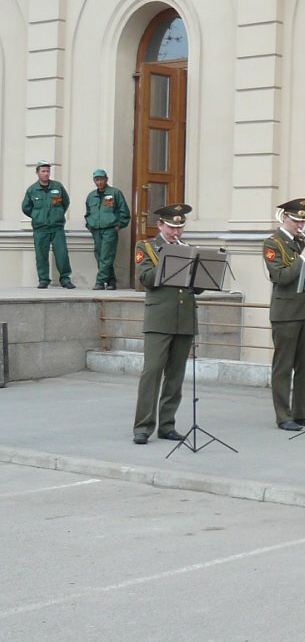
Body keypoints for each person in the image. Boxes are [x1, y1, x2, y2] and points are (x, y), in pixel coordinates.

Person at [132, 204, 197, 444]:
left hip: (184, 318)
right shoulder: (146, 247)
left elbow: (198, 286)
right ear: (160, 225)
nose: (176, 233)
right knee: (152, 372)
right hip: (159, 318)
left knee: (176, 375)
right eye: (171, 227)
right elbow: (146, 279)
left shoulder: (188, 249)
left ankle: (167, 425)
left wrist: (193, 264)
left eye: (180, 228)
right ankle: (143, 426)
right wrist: (170, 260)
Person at [262, 198, 305, 432]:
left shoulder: (301, 242)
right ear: (285, 217)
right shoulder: (272, 243)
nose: (301, 225)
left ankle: (302, 413)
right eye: (297, 220)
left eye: (303, 221)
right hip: (285, 312)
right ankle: (283, 415)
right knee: (283, 366)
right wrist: (304, 256)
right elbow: (282, 277)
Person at [21, 160, 74, 289]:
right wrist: (37, 217)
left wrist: (58, 214)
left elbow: (65, 202)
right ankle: (43, 279)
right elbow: (26, 207)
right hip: (40, 228)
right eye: (43, 171)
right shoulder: (32, 190)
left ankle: (65, 279)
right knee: (41, 255)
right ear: (37, 173)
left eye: (48, 171)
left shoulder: (57, 187)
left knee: (62, 254)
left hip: (57, 227)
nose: (46, 174)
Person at [84, 169, 131, 290]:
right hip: (96, 230)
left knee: (106, 256)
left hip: (110, 229)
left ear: (106, 179)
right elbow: (88, 213)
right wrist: (90, 225)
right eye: (97, 180)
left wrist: (118, 225)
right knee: (99, 255)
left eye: (101, 179)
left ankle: (100, 282)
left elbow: (124, 212)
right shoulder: (91, 196)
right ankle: (111, 281)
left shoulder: (115, 193)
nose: (99, 182)